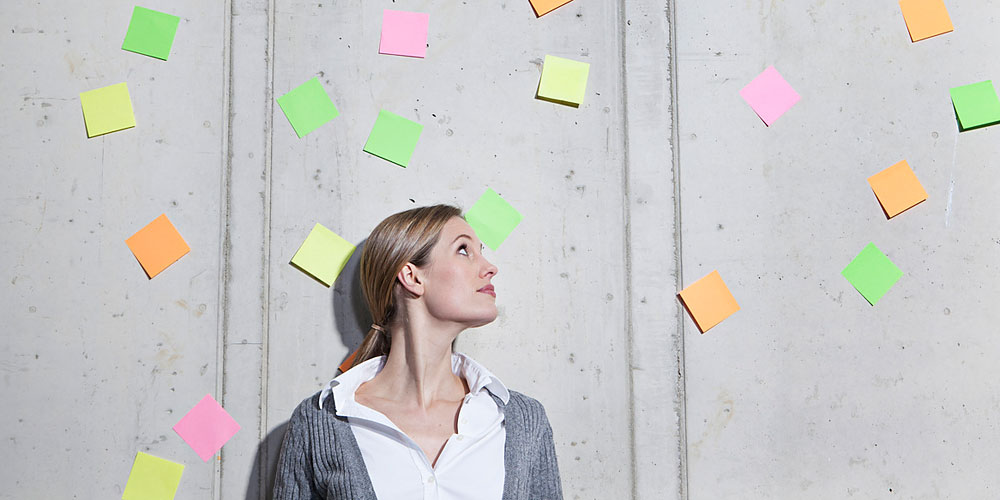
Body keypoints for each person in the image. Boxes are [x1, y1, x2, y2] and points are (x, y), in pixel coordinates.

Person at [273, 204, 563, 500]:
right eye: (464, 250)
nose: (490, 267)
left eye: (481, 251)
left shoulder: (523, 420)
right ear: (412, 277)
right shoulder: (321, 421)